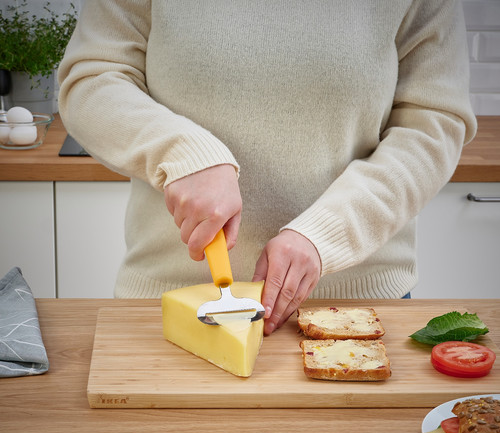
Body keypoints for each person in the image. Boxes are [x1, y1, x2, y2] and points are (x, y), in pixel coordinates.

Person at [58, 0, 476, 335]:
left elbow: (431, 122)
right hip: (169, 302)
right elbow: (93, 78)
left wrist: (326, 234)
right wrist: (185, 154)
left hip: (353, 307)